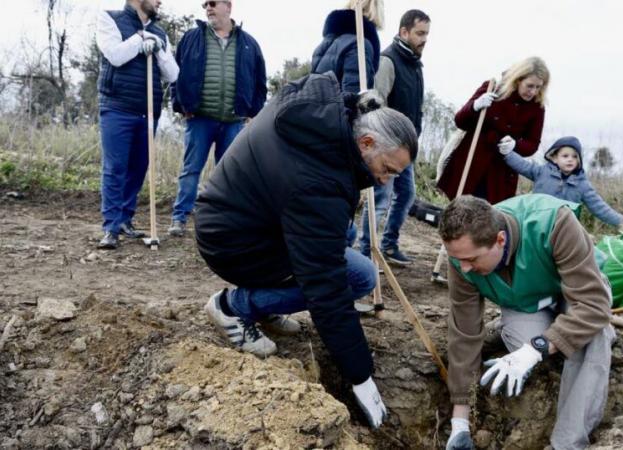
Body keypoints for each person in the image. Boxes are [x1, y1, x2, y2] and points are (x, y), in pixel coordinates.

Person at [194, 73, 418, 429]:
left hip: (245, 217)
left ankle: (267, 305)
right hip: (234, 243)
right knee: (355, 278)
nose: (385, 179)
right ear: (366, 141)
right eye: (387, 169)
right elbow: (325, 287)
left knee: (345, 245)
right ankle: (234, 307)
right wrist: (360, 376)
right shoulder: (318, 182)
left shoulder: (323, 107)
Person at [439, 194, 615, 450]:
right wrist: (459, 423)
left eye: (472, 260)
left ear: (500, 239)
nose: (464, 268)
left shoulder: (554, 223)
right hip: (527, 304)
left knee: (593, 337)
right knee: (536, 344)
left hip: (579, 295)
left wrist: (536, 348)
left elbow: (592, 305)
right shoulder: (461, 257)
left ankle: (566, 444)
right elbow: (464, 330)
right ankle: (526, 332)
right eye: (458, 259)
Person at [167, 0, 267, 237]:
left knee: (231, 173)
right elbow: (175, 73)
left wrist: (252, 113)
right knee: (191, 169)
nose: (208, 8)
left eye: (212, 3)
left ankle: (227, 220)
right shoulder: (192, 38)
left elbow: (260, 82)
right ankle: (180, 217)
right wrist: (181, 105)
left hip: (234, 121)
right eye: (205, 5)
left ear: (228, 6)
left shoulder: (249, 44)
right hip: (200, 118)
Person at [95, 0, 179, 249]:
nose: (159, 2)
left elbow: (173, 75)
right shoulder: (109, 18)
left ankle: (124, 220)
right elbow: (115, 56)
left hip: (147, 111)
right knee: (115, 167)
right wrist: (139, 39)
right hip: (117, 107)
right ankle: (110, 228)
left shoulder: (160, 32)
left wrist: (158, 47)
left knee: (139, 166)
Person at [358, 9, 430, 265]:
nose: (424, 39)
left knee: (407, 195)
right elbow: (377, 104)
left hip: (406, 148)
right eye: (420, 33)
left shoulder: (415, 66)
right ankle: (366, 252)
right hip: (388, 148)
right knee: (379, 199)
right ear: (404, 32)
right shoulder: (388, 61)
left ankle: (388, 244)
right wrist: (381, 143)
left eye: (427, 34)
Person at [437, 57, 548, 204]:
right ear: (518, 79)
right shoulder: (492, 88)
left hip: (501, 175)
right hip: (471, 164)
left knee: (490, 219)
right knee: (460, 212)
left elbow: (532, 144)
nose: (533, 91)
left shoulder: (537, 108)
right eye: (530, 85)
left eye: (538, 87)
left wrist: (515, 145)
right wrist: (475, 106)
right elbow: (460, 121)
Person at [500, 136, 623, 227]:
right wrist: (508, 154)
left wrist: (618, 220)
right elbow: (523, 165)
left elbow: (599, 206)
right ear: (554, 158)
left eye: (575, 156)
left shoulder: (582, 185)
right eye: (565, 156)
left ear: (579, 161)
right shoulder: (542, 172)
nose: (570, 160)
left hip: (566, 229)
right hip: (537, 223)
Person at [311, 0, 384, 94]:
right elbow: (353, 94)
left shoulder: (330, 41)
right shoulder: (360, 45)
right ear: (377, 9)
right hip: (337, 107)